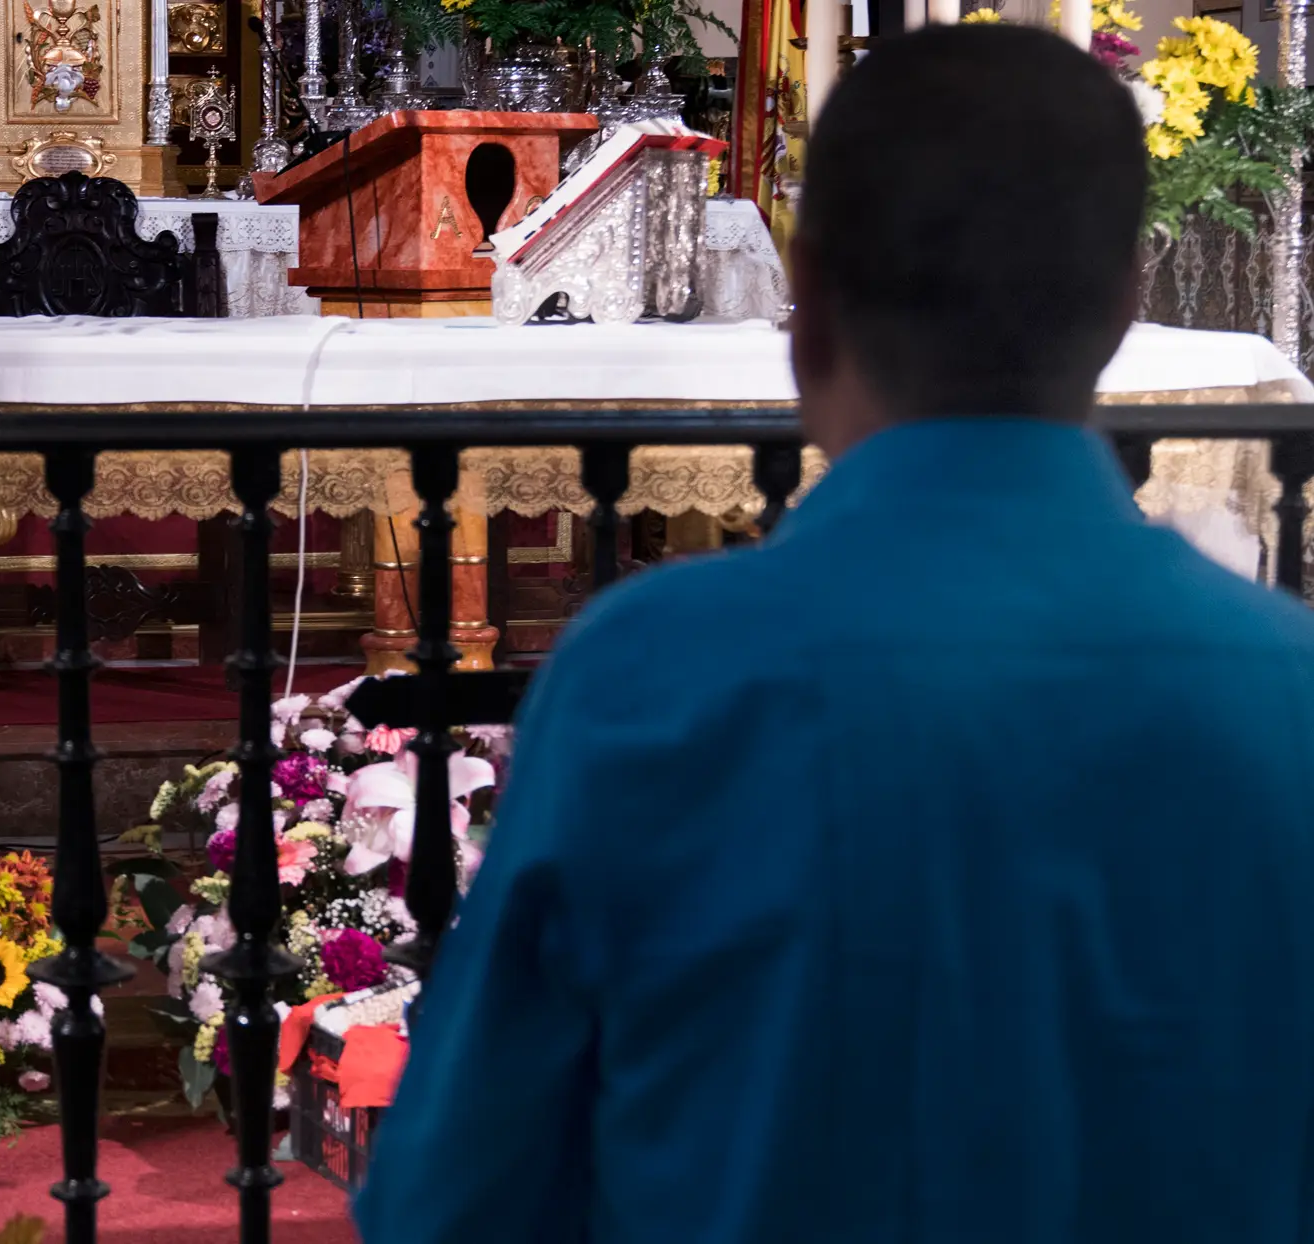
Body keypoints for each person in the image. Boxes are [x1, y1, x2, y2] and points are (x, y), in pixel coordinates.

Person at [354, 24, 1314, 1244]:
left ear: (804, 302)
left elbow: (461, 1190)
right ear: (1128, 299)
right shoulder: (1289, 692)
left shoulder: (649, 674)